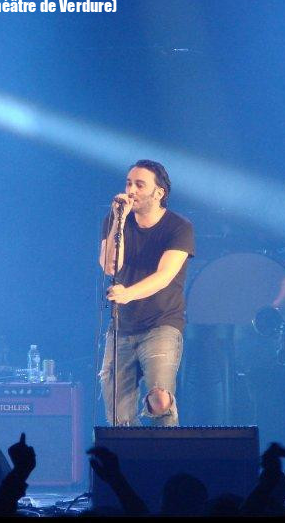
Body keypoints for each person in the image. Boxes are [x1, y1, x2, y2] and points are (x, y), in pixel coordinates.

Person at [99, 159, 194, 426]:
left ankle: (169, 449)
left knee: (160, 399)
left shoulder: (178, 227)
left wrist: (128, 293)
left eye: (140, 185)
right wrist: (119, 221)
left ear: (159, 192)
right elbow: (109, 266)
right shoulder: (115, 220)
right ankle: (129, 452)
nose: (131, 190)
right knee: (119, 415)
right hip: (121, 327)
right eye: (129, 183)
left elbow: (165, 276)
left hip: (161, 324)